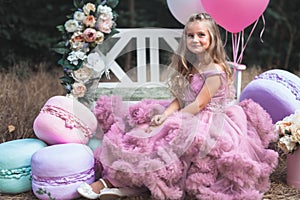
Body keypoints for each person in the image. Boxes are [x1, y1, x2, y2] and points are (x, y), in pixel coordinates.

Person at [77, 13, 278, 200]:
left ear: (212, 39)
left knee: (162, 138)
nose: (195, 39)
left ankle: (121, 182)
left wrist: (172, 120)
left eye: (201, 35)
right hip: (189, 112)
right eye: (190, 35)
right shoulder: (193, 66)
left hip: (208, 120)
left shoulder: (215, 71)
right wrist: (165, 114)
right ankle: (125, 181)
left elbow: (199, 104)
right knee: (145, 127)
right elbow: (182, 99)